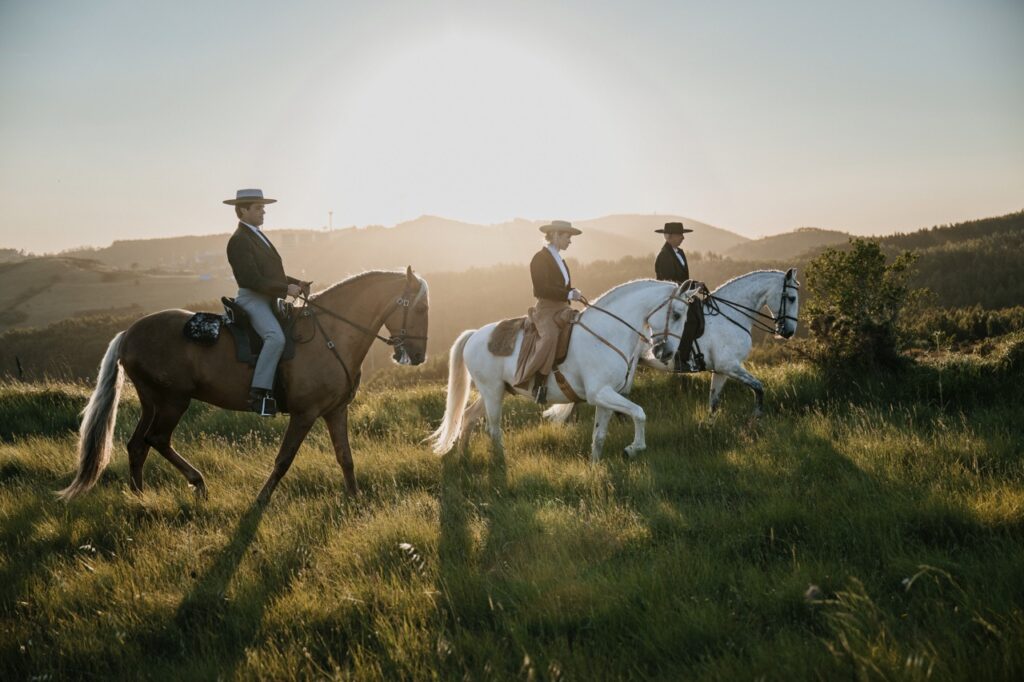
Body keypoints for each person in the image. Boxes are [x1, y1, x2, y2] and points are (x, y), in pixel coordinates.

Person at [224, 189, 305, 416]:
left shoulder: (256, 235)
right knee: (275, 338)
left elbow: (270, 274)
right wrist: (285, 289)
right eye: (258, 208)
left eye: (263, 208)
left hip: (269, 298)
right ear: (243, 210)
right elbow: (250, 279)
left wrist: (295, 282)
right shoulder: (239, 240)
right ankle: (259, 394)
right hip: (253, 299)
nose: (264, 212)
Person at [512, 220, 583, 404]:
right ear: (556, 235)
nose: (570, 241)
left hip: (563, 307)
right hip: (546, 309)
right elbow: (541, 289)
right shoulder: (539, 259)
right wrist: (568, 293)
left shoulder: (560, 260)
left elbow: (561, 287)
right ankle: (538, 382)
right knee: (550, 337)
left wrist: (572, 291)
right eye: (567, 237)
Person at [654, 221, 705, 372]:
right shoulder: (664, 256)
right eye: (679, 235)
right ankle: (680, 359)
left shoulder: (680, 253)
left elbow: (683, 279)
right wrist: (692, 286)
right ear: (668, 236)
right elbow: (669, 283)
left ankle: (696, 354)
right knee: (690, 320)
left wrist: (694, 284)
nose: (683, 237)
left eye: (682, 234)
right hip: (671, 297)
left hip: (682, 294)